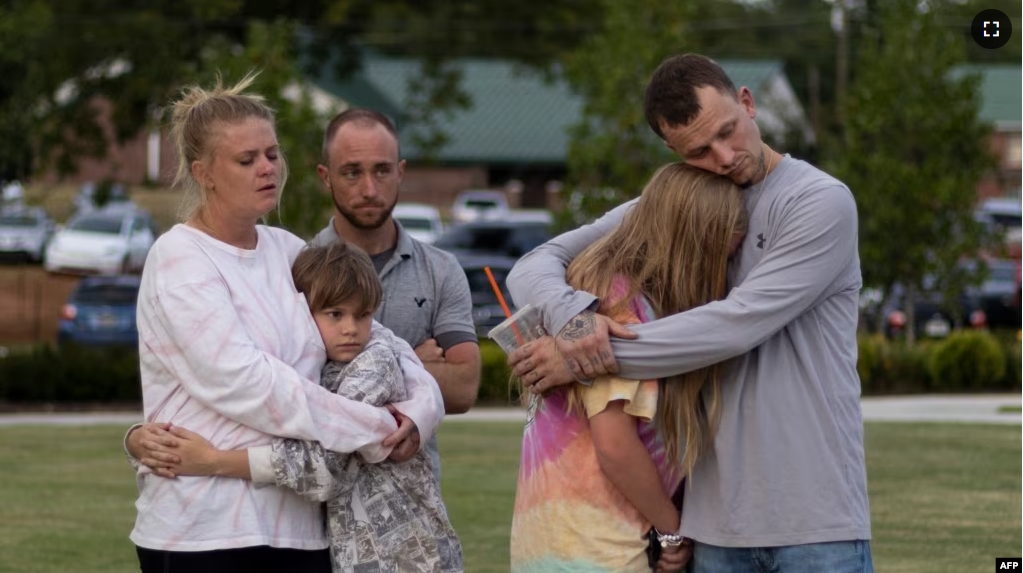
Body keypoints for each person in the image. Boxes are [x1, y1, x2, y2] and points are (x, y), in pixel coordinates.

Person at [506, 53, 872, 572]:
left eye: (728, 131)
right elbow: (534, 263)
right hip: (711, 525)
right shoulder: (679, 208)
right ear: (671, 150)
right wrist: (577, 323)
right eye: (698, 150)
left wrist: (587, 359)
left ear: (747, 102)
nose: (723, 157)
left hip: (814, 522)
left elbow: (735, 323)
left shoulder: (817, 201)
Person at [126, 73, 444, 573]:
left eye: (272, 154)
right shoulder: (179, 259)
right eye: (246, 159)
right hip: (205, 532)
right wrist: (372, 427)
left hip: (302, 532)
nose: (267, 168)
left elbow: (384, 343)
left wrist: (420, 413)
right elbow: (247, 382)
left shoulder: (289, 250)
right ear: (203, 172)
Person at [145, 241, 464, 573]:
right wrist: (141, 440)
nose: (350, 329)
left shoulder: (372, 366)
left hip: (408, 556)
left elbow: (327, 468)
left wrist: (214, 461)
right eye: (335, 314)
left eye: (363, 315)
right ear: (302, 312)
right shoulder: (322, 365)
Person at [510, 163, 747, 573]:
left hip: (559, 538)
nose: (723, 273)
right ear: (689, 243)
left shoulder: (591, 292)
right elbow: (615, 446)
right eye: (720, 256)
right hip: (596, 546)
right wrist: (672, 531)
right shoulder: (617, 302)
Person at [308, 107, 481, 478]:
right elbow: (293, 387)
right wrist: (413, 365)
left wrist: (345, 370)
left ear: (400, 171)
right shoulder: (300, 267)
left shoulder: (440, 270)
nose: (369, 189)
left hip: (413, 500)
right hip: (317, 503)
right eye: (352, 172)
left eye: (382, 171)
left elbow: (465, 388)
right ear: (326, 177)